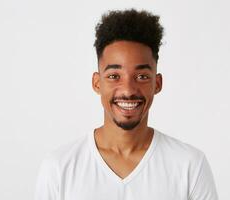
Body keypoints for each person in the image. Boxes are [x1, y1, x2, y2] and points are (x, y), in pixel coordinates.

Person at [34, 9, 218, 200]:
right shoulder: (59, 167)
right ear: (97, 83)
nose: (128, 90)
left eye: (141, 77)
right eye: (114, 76)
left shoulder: (190, 165)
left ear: (157, 83)